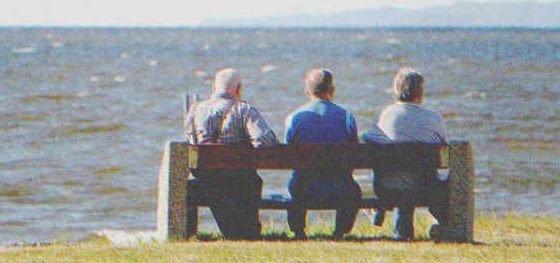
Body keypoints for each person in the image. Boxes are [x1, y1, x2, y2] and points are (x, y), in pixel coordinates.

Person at [185, 68, 278, 240]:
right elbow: (264, 142)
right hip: (239, 182)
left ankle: (192, 234)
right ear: (239, 89)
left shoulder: (195, 110)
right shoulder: (244, 110)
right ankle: (245, 232)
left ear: (214, 88)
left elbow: (191, 144)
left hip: (207, 183)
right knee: (252, 181)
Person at [362, 67, 448, 240]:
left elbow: (368, 138)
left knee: (397, 171)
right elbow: (444, 150)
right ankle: (443, 225)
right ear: (420, 92)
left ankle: (394, 224)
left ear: (396, 91)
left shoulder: (386, 115)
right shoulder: (433, 118)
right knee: (428, 176)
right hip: (424, 188)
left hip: (387, 187)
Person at [284, 69, 361, 240]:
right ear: (331, 90)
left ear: (307, 91)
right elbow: (354, 154)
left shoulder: (294, 118)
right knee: (354, 189)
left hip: (303, 187)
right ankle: (340, 231)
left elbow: (289, 151)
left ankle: (298, 230)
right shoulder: (346, 117)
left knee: (295, 181)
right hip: (339, 187)